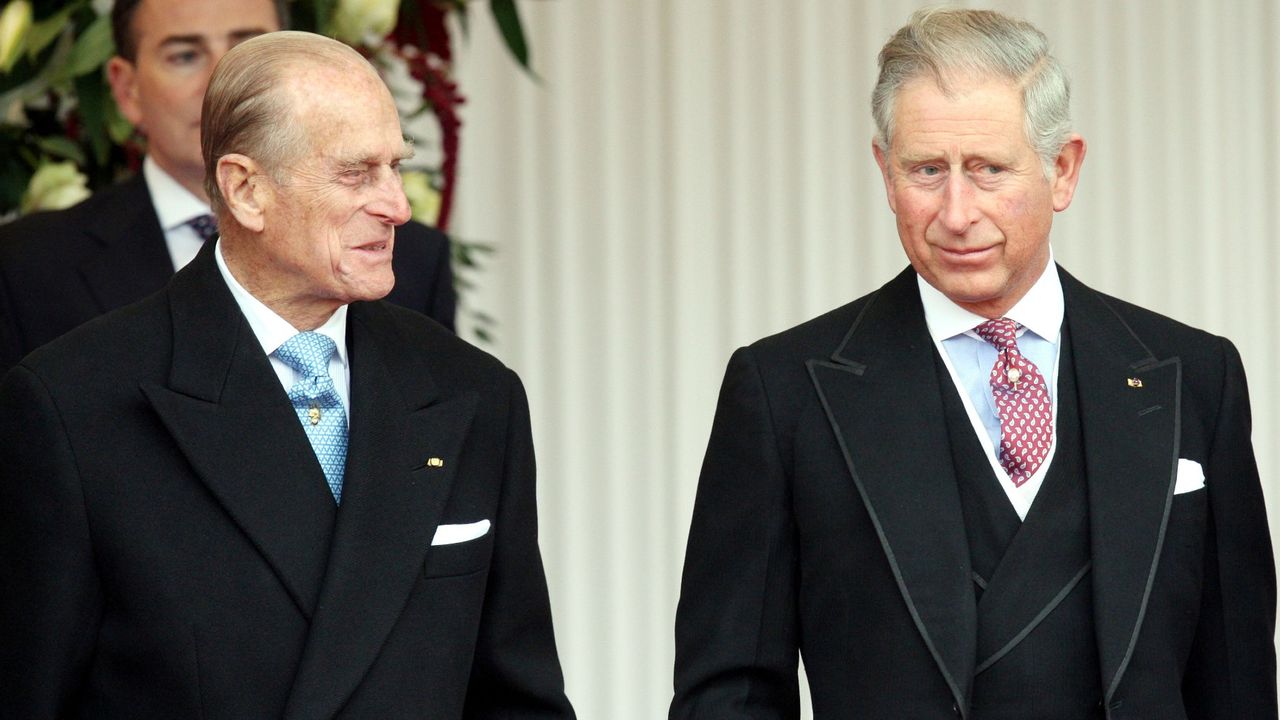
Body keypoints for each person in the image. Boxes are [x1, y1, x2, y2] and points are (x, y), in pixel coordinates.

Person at [670, 8, 1275, 719]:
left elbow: (1237, 685)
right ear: (884, 171)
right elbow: (729, 697)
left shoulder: (1195, 377)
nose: (956, 213)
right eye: (927, 170)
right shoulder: (783, 393)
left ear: (1063, 169)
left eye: (988, 169)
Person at [0, 32, 573, 719]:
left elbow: (518, 700)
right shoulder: (72, 406)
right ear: (246, 190)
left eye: (396, 167)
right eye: (357, 174)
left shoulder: (474, 393)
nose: (398, 205)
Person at [0, 0, 455, 374]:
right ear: (127, 89)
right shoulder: (27, 265)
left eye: (252, 50)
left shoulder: (408, 258)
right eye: (185, 55)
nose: (225, 81)